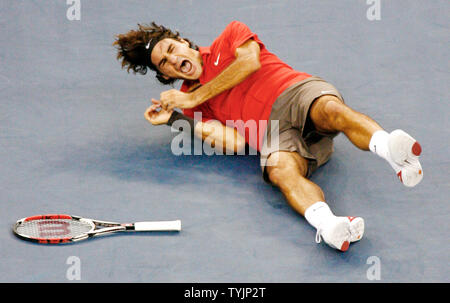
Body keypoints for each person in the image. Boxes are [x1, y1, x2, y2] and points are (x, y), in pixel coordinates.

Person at [113, 21, 423, 251]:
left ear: (182, 41)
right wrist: (178, 119)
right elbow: (237, 143)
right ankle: (330, 227)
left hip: (293, 93)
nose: (172, 59)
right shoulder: (190, 104)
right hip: (273, 134)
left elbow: (250, 62)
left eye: (171, 48)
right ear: (166, 76)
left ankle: (390, 150)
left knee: (331, 110)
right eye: (164, 64)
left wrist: (193, 98)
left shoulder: (230, 35)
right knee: (279, 171)